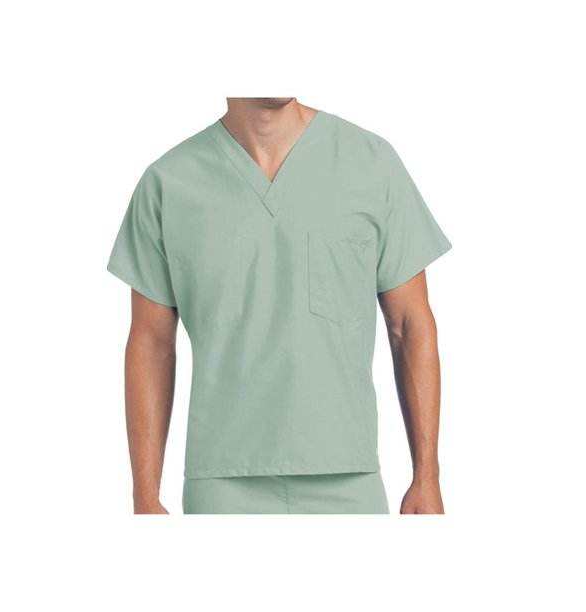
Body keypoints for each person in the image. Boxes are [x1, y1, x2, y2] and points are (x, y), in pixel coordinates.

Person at [108, 98, 451, 514]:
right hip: (223, 482)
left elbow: (410, 325)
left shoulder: (370, 164)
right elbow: (151, 343)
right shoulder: (169, 183)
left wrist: (427, 476)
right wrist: (145, 495)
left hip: (348, 479)